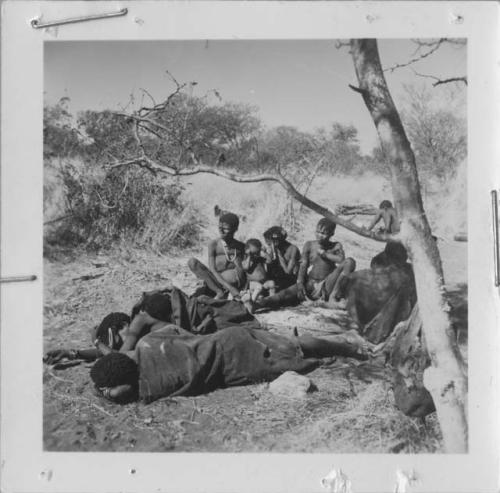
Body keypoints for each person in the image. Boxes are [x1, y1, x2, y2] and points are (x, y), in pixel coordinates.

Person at [89, 323, 370, 404]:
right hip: (227, 335)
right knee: (290, 344)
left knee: (293, 356)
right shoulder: (145, 347)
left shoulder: (154, 385)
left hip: (238, 358)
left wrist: (111, 389)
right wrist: (98, 349)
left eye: (107, 389)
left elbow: (125, 388)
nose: (106, 394)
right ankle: (347, 344)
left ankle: (348, 347)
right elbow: (173, 331)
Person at [44, 288, 259, 364]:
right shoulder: (143, 323)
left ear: (122, 325)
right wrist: (73, 353)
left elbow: (118, 356)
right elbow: (114, 352)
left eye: (119, 338)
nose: (122, 343)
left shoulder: (139, 321)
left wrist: (97, 342)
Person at [252, 218, 356, 311]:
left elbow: (342, 260)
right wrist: (300, 282)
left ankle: (333, 297)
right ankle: (258, 304)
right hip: (310, 283)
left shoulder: (335, 246)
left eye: (324, 233)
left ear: (332, 233)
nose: (320, 235)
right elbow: (303, 265)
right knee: (285, 294)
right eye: (318, 232)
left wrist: (325, 254)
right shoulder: (309, 245)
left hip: (327, 284)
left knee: (350, 262)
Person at [188, 212, 246, 300]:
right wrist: (230, 288)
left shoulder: (240, 246)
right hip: (217, 282)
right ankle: (219, 292)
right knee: (192, 262)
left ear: (235, 229)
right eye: (219, 228)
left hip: (237, 285)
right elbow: (213, 270)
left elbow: (245, 269)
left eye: (226, 228)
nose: (221, 231)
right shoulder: (213, 244)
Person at [262, 226, 300, 291]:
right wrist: (267, 254)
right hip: (277, 280)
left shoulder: (293, 249)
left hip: (290, 282)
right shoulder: (274, 248)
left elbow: (288, 272)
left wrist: (279, 255)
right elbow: (269, 267)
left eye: (270, 243)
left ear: (276, 242)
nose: (269, 245)